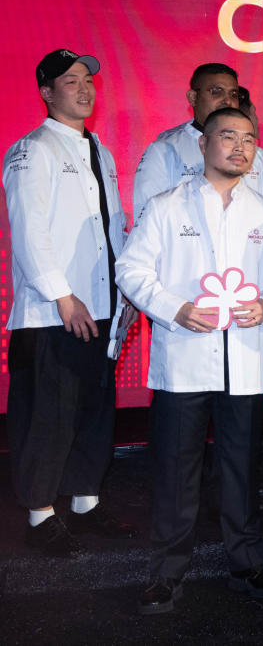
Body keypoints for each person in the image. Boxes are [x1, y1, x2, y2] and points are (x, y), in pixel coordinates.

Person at [117, 106, 263, 614]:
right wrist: (176, 309)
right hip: (184, 362)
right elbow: (130, 269)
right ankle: (167, 573)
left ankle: (247, 564)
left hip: (245, 360)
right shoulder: (167, 206)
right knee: (176, 471)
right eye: (228, 137)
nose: (240, 147)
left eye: (249, 139)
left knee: (243, 468)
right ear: (202, 144)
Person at [4, 49, 134, 557]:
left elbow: (113, 227)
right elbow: (29, 229)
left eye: (88, 81)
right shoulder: (32, 149)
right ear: (46, 92)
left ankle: (86, 503)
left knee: (94, 410)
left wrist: (124, 293)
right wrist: (61, 293)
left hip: (99, 307)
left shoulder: (97, 148)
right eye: (71, 81)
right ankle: (39, 515)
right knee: (47, 415)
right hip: (51, 313)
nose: (84, 89)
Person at [132, 63, 263, 219]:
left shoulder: (257, 155)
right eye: (216, 92)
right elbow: (146, 218)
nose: (227, 101)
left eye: (233, 94)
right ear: (193, 97)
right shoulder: (163, 150)